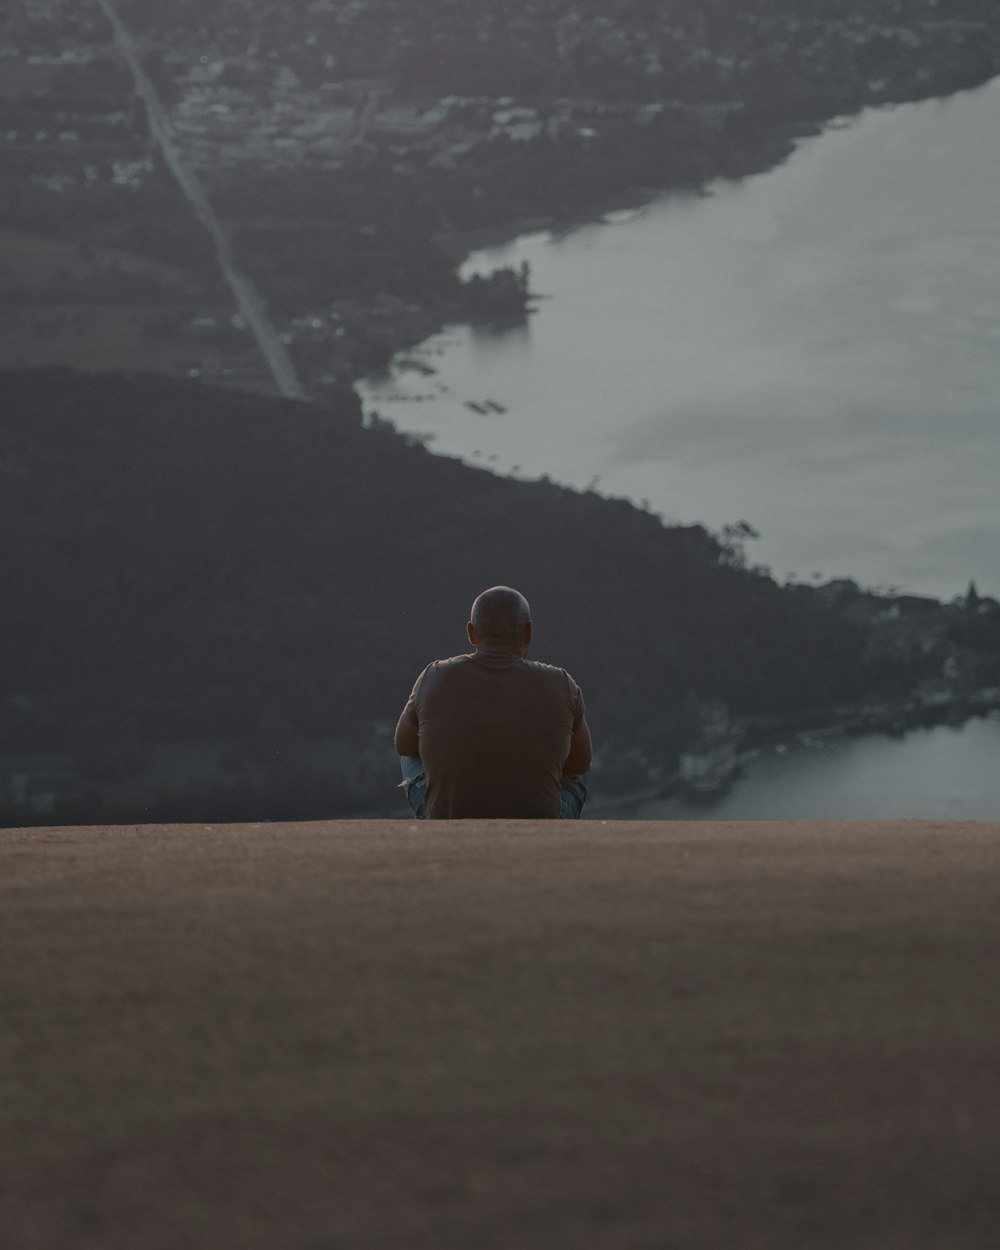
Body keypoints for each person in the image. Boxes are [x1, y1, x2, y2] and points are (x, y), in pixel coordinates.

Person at [394, 585, 592, 819]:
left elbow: (404, 745)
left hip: (447, 820)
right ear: (528, 632)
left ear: (471, 633)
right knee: (578, 767)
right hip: (541, 824)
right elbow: (580, 763)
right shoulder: (562, 683)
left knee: (412, 752)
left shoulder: (434, 675)